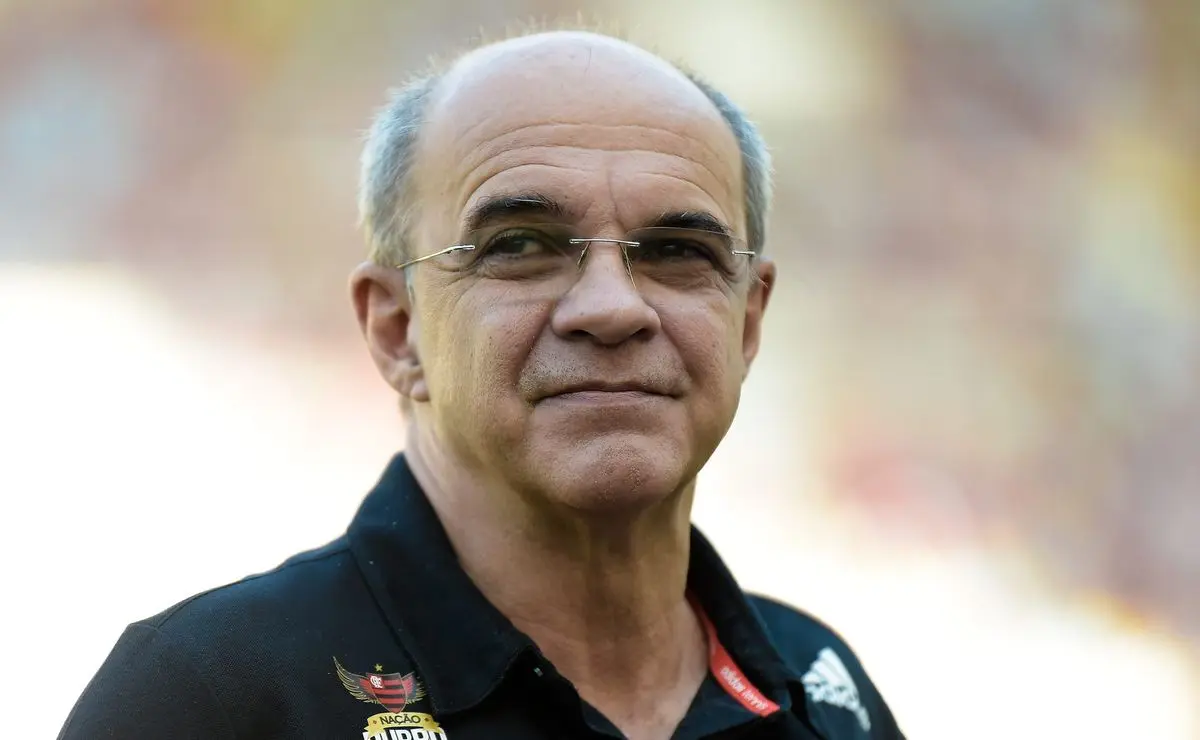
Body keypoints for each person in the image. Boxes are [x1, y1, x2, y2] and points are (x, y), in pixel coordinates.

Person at [60, 29, 905, 740]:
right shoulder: (213, 698)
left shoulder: (822, 693)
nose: (613, 308)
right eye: (520, 245)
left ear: (748, 322)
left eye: (678, 251)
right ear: (397, 329)